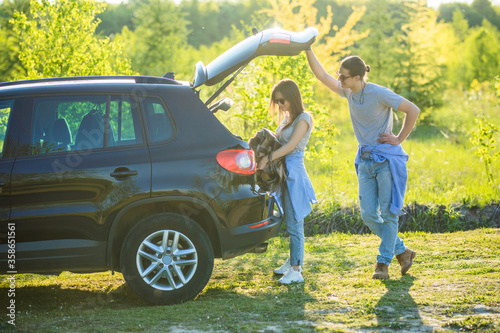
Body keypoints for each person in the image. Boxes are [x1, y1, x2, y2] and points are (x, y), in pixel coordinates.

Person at [306, 49, 420, 279]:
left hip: (386, 160)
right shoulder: (348, 92)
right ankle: (402, 252)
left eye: (344, 76)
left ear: (358, 77)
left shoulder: (379, 93)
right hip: (365, 161)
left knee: (389, 215)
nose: (339, 79)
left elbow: (413, 110)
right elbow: (321, 75)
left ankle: (382, 263)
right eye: (339, 75)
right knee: (368, 215)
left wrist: (398, 138)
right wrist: (307, 48)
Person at [258, 78, 317, 284]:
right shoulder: (287, 118)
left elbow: (291, 146)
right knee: (288, 218)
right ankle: (292, 260)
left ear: (292, 97)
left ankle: (296, 269)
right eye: (277, 101)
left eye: (282, 100)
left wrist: (268, 158)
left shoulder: (303, 118)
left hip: (294, 174)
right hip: (283, 173)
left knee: (295, 222)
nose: (280, 105)